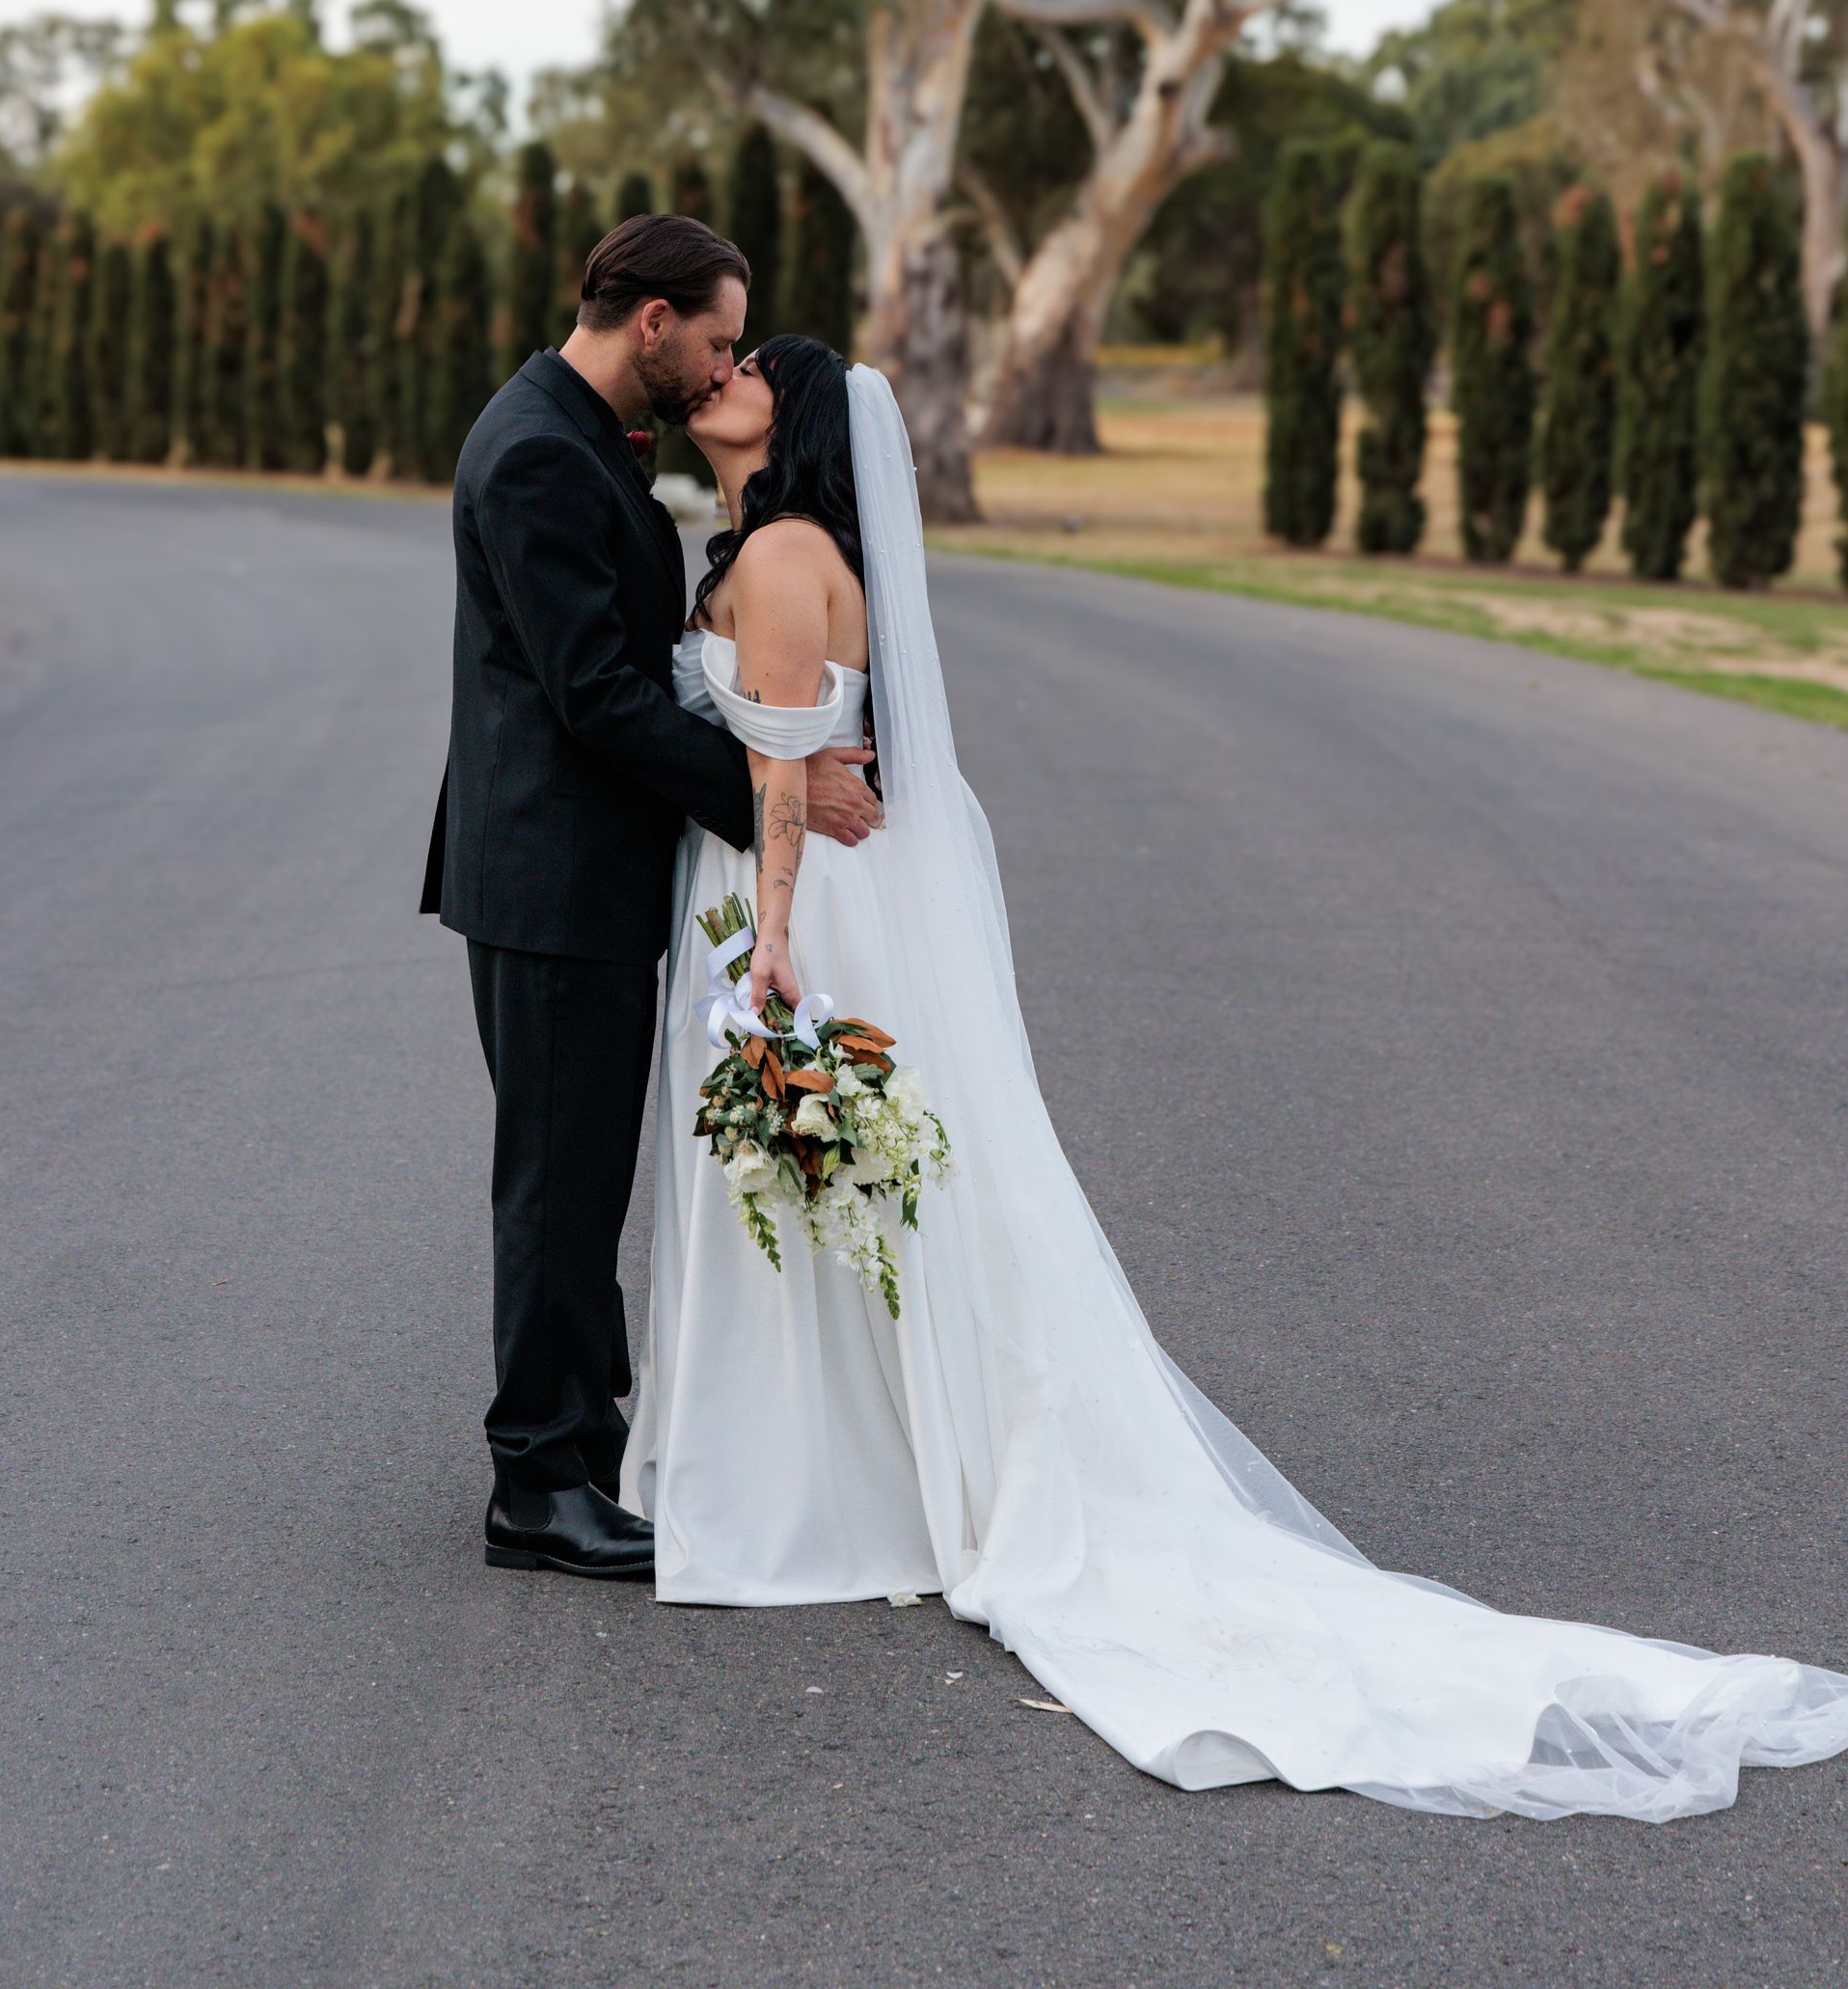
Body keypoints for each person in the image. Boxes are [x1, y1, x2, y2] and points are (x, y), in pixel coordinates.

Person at [624, 335, 1848, 1820]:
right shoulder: (788, 550)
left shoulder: (783, 555)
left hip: (796, 916)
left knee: (830, 1194)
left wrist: (775, 941)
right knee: (871, 1203)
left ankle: (803, 1492)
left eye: (754, 364)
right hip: (829, 905)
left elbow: (775, 779)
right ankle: (856, 1472)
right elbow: (818, 750)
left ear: (794, 415)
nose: (725, 372)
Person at [421, 217, 879, 1580]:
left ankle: (583, 1436)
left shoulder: (574, 434)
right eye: (721, 338)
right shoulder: (537, 453)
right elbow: (598, 696)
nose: (725, 364)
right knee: (560, 1183)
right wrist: (772, 791)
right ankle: (538, 1481)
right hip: (552, 877)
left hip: (578, 871)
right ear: (653, 320)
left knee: (581, 1172)